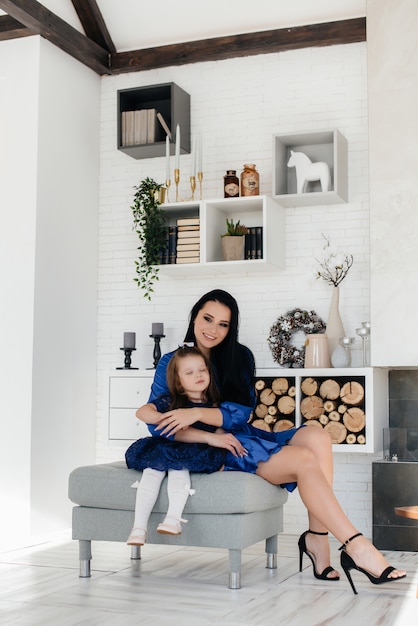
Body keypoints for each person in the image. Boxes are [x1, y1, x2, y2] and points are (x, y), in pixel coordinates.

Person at [136, 289, 406, 594]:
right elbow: (157, 422)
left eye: (223, 324)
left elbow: (241, 416)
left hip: (244, 435)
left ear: (231, 328)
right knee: (304, 459)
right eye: (208, 319)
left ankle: (316, 538)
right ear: (194, 317)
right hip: (216, 448)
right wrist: (205, 432)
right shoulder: (172, 361)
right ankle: (358, 547)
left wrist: (196, 411)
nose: (213, 329)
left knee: (316, 435)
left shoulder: (240, 357)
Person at [125, 345, 229, 546]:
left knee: (179, 472)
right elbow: (142, 412)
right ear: (179, 384)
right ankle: (138, 528)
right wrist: (163, 418)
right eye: (189, 372)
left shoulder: (215, 405)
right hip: (165, 447)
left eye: (202, 369)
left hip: (193, 450)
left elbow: (220, 431)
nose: (198, 375)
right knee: (152, 473)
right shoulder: (172, 401)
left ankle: (173, 519)